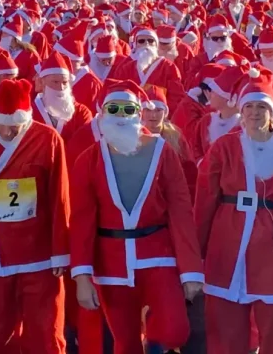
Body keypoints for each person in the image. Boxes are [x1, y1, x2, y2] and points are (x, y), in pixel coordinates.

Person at [70, 81, 203, 354]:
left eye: (127, 109)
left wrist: (190, 269)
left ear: (138, 113)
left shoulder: (161, 151)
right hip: (111, 263)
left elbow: (180, 211)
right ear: (102, 114)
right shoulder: (88, 159)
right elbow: (82, 221)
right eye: (113, 109)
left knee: (175, 329)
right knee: (125, 342)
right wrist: (82, 276)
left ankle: (153, 343)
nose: (121, 115)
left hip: (157, 253)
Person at [195, 68, 273, 354]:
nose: (254, 113)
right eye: (248, 106)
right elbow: (204, 203)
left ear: (272, 111)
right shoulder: (223, 147)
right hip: (227, 247)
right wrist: (195, 257)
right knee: (226, 334)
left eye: (261, 106)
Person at [0, 78, 70, 354]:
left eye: (15, 126)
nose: (8, 132)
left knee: (46, 331)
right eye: (3, 125)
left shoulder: (47, 139)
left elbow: (61, 198)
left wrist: (61, 251)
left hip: (40, 255)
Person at [31, 52, 94, 139]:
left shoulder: (81, 113)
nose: (61, 87)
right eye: (55, 82)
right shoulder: (31, 112)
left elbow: (84, 143)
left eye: (65, 83)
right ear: (42, 82)